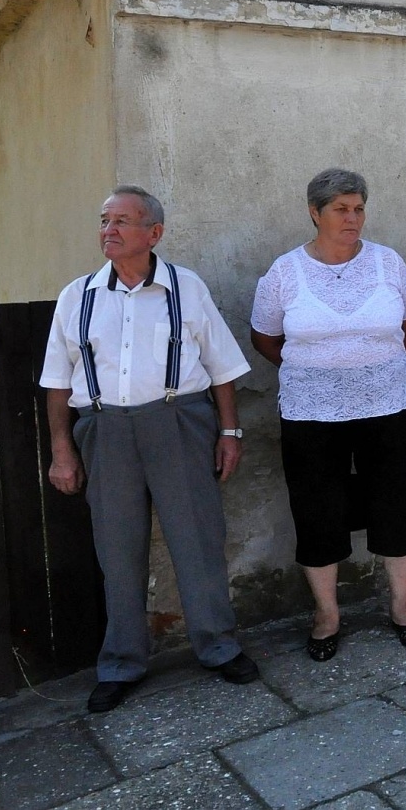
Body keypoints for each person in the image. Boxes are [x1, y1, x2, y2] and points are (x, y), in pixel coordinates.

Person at [41, 186, 257, 713]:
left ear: (154, 233)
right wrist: (62, 449)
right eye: (104, 220)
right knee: (117, 550)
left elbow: (222, 367)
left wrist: (230, 433)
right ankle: (121, 663)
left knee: (198, 539)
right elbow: (56, 381)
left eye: (121, 221)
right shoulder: (78, 295)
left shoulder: (186, 287)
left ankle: (218, 646)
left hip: (179, 422)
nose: (108, 230)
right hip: (104, 428)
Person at [250, 168, 406, 662]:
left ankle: (402, 605)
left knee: (393, 501)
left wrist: (371, 365)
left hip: (386, 404)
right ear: (314, 213)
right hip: (309, 411)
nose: (353, 218)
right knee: (316, 508)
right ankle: (327, 614)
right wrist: (318, 369)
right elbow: (264, 337)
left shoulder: (389, 263)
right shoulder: (285, 272)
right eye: (341, 209)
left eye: (359, 208)